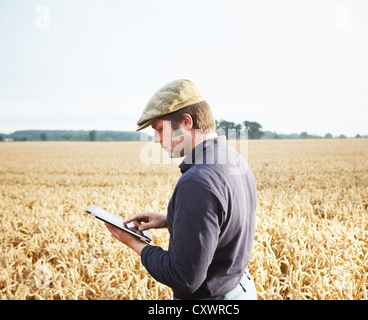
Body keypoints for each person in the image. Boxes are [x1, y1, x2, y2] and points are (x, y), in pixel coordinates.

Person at [105, 79, 257, 300]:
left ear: (186, 122)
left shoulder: (196, 182)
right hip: (240, 289)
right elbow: (225, 219)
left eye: (159, 129)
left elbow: (185, 278)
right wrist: (171, 218)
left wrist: (134, 243)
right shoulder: (233, 159)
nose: (156, 140)